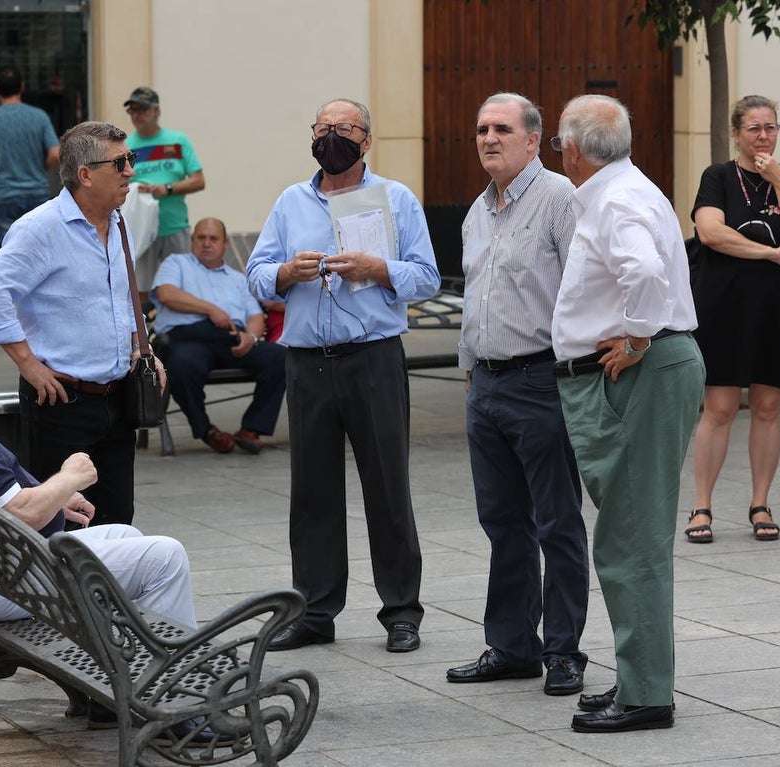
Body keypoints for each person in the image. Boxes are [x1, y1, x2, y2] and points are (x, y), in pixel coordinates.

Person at [0, 297, 211, 737]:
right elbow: (23, 514)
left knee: (126, 535)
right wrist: (69, 478)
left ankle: (118, 695)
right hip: (5, 581)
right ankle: (174, 708)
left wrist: (54, 499)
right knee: (165, 557)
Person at [246, 98, 441, 654]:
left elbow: (428, 277)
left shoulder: (396, 199)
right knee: (312, 492)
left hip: (373, 358)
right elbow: (256, 275)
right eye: (324, 127)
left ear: (366, 140)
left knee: (387, 486)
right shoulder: (291, 201)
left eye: (345, 128)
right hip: (307, 361)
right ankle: (314, 611)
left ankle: (401, 611)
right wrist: (286, 272)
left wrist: (379, 269)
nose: (332, 136)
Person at [550, 94, 705, 733]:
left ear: (573, 150)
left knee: (631, 539)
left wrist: (639, 336)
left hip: (639, 373)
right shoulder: (624, 190)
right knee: (628, 534)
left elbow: (643, 272)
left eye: (559, 142)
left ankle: (645, 696)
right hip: (642, 372)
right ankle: (639, 677)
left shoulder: (614, 200)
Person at [446, 93, 589, 697]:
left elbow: (586, 286)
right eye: (481, 128)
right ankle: (511, 647)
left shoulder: (560, 199)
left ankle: (563, 651)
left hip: (541, 380)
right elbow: (475, 297)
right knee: (502, 523)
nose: (488, 138)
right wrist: (470, 370)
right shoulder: (477, 211)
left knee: (557, 522)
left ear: (533, 140)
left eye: (502, 129)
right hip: (486, 384)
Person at [0, 121, 166, 529]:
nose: (131, 170)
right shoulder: (41, 228)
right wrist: (28, 364)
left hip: (117, 398)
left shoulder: (118, 222)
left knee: (116, 524)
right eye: (120, 162)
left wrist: (141, 347)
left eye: (130, 159)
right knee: (60, 527)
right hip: (61, 403)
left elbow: (121, 297)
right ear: (85, 175)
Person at [685, 95, 780, 544]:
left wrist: (779, 181)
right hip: (725, 305)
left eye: (770, 127)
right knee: (719, 408)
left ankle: (760, 503)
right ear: (736, 133)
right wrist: (769, 253)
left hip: (779, 307)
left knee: (767, 406)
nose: (763, 136)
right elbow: (711, 232)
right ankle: (702, 505)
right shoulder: (718, 177)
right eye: (754, 128)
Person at [152, 217, 287, 454]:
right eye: (201, 238)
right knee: (182, 364)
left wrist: (251, 338)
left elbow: (256, 317)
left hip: (231, 341)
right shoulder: (176, 263)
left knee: (281, 358)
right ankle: (206, 430)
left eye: (213, 238)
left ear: (225, 244)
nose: (207, 243)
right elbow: (166, 294)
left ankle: (251, 429)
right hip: (188, 339)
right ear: (192, 240)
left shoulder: (238, 279)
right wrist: (210, 309)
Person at [123, 87, 205, 300]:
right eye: (132, 110)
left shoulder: (177, 141)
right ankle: (144, 323)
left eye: (142, 109)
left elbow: (198, 181)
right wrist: (134, 190)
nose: (136, 115)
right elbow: (117, 185)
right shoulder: (126, 147)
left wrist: (167, 189)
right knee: (140, 290)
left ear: (157, 111)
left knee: (180, 287)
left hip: (174, 227)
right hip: (140, 230)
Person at [0, 65, 61, 248]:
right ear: (22, 87)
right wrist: (41, 167)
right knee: (40, 250)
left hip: (3, 194)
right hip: (37, 193)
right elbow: (55, 154)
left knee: (9, 252)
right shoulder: (39, 117)